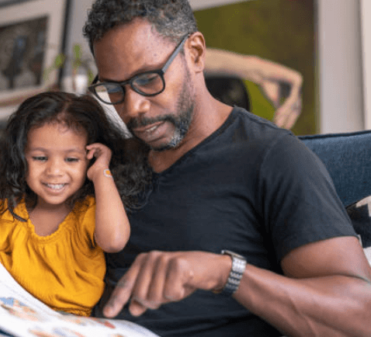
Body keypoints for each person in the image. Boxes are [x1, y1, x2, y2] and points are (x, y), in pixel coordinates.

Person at [79, 0, 371, 336]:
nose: (134, 108)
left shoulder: (272, 157)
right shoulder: (110, 159)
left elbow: (361, 317)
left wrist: (226, 273)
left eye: (148, 79)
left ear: (196, 53)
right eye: (114, 89)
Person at [0, 91, 150, 317]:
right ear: (20, 159)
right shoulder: (6, 212)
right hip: (9, 314)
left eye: (71, 159)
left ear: (90, 159)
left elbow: (114, 241)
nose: (54, 171)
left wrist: (102, 172)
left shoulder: (90, 211)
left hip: (70, 324)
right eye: (40, 158)